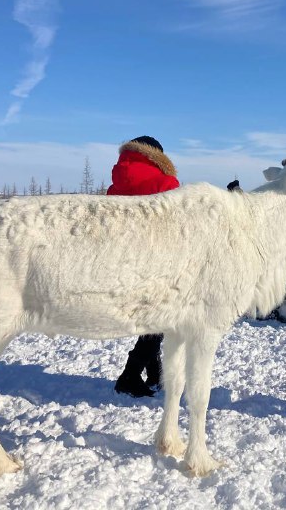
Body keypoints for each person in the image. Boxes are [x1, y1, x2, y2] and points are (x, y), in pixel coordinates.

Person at [107, 135, 180, 397]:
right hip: (157, 259)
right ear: (158, 156)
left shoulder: (115, 184)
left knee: (151, 320)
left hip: (122, 261)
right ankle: (130, 374)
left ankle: (154, 371)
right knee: (161, 318)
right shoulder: (166, 182)